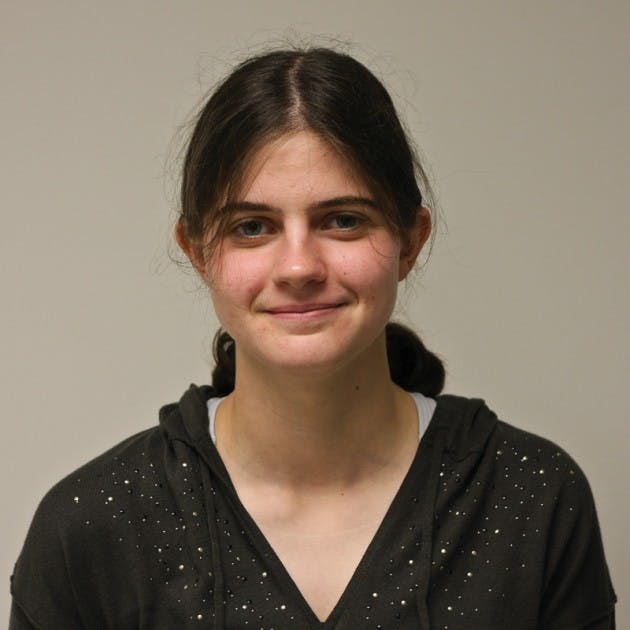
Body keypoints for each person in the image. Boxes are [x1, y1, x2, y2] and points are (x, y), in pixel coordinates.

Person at [10, 47, 616, 629]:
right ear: (197, 252)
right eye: (252, 227)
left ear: (410, 240)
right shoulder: (92, 526)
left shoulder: (532, 497)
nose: (299, 267)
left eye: (343, 220)